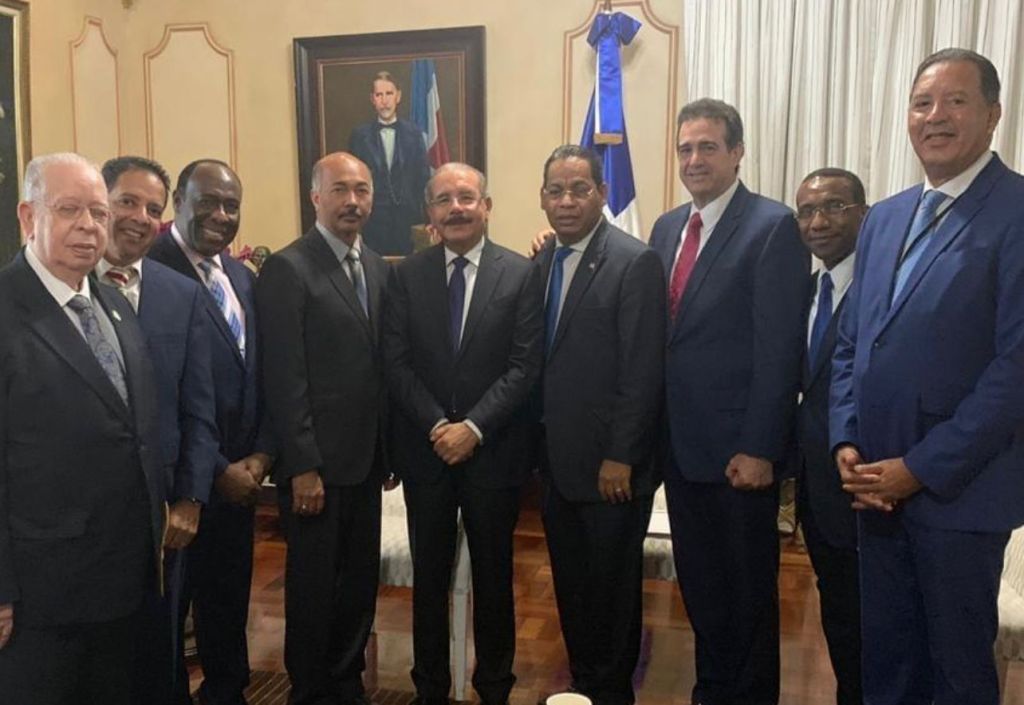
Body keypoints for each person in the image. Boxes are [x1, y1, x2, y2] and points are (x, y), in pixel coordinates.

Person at [830, 48, 1024, 705]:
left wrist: (918, 468)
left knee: (956, 676)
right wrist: (846, 439)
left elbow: (1014, 372)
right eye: (921, 103)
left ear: (993, 115)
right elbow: (853, 339)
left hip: (959, 494)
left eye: (955, 101)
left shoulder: (1016, 212)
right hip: (874, 491)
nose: (935, 116)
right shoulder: (884, 217)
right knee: (888, 664)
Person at [648, 99, 809, 705]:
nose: (694, 159)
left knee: (747, 599)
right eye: (685, 148)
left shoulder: (772, 226)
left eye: (708, 147)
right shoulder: (667, 228)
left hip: (740, 455)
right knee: (703, 592)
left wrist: (761, 448)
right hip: (680, 449)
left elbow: (779, 349)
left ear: (737, 153)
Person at [0, 153, 166, 704]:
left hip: (125, 581)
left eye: (98, 212)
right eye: (69, 210)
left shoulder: (113, 305)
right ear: (29, 217)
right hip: (41, 595)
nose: (89, 226)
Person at [383, 162, 543, 705]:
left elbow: (524, 366)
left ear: (486, 206)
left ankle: (494, 687)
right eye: (444, 199)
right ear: (429, 212)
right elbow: (396, 363)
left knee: (495, 580)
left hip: (494, 454)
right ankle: (429, 688)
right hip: (426, 454)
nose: (456, 208)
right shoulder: (406, 275)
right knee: (428, 580)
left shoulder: (520, 274)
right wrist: (438, 426)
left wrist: (473, 428)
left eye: (467, 197)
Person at [256, 152, 391, 705]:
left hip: (366, 463)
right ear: (316, 197)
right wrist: (303, 466)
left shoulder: (378, 266)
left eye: (362, 190)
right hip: (315, 469)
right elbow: (284, 377)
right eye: (340, 189)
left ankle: (346, 682)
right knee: (314, 589)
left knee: (358, 583)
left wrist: (386, 453)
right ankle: (310, 690)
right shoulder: (288, 268)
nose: (352, 201)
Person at [535, 145, 665, 705]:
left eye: (579, 189)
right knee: (573, 586)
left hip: (610, 467)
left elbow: (643, 369)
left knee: (612, 593)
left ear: (603, 194)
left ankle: (611, 693)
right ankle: (584, 684)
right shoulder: (543, 261)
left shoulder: (634, 262)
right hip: (555, 463)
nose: (566, 201)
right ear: (543, 199)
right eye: (556, 190)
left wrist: (622, 455)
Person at [149, 159, 274, 705]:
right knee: (169, 617)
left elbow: (259, 375)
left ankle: (227, 694)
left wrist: (261, 457)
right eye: (207, 202)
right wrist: (216, 469)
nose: (221, 215)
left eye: (231, 205)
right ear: (178, 201)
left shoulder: (241, 277)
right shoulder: (150, 269)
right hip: (180, 487)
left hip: (241, 483)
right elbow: (159, 393)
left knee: (227, 605)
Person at [98, 155, 221, 703]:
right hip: (88, 519)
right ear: (100, 205)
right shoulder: (69, 287)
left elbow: (199, 409)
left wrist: (191, 498)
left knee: (160, 653)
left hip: (165, 516)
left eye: (152, 208)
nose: (140, 218)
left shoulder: (181, 293)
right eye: (127, 202)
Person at [791, 168, 866, 705]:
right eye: (807, 211)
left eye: (834, 207)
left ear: (864, 213)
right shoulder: (806, 287)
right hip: (817, 489)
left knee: (872, 619)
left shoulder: (884, 286)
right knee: (839, 611)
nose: (818, 222)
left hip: (865, 484)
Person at [348, 71, 432, 256]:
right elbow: (352, 183)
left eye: (389, 93)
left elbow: (423, 178)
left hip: (408, 219)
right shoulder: (360, 136)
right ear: (372, 99)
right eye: (379, 95)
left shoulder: (414, 134)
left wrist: (428, 219)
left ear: (398, 96)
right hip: (373, 222)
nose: (384, 100)